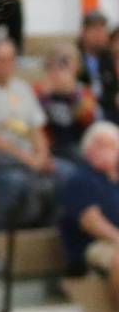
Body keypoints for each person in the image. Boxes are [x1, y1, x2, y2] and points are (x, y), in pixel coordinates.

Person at [0, 38, 75, 230]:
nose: (3, 65)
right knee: (14, 181)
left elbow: (37, 129)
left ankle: (51, 231)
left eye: (8, 59)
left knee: (68, 173)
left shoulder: (22, 88)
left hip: (30, 155)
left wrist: (43, 155)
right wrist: (28, 160)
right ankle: (0, 238)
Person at [58, 122, 119, 300]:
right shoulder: (81, 179)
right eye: (100, 145)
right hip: (94, 244)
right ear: (87, 149)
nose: (106, 151)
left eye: (111, 146)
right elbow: (91, 222)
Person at [35, 43, 98, 162]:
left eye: (65, 63)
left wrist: (71, 94)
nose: (59, 69)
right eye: (54, 64)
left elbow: (87, 122)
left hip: (79, 146)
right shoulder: (38, 90)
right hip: (50, 148)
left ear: (77, 66)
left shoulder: (84, 93)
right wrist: (45, 96)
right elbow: (34, 122)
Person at [78, 9, 119, 123]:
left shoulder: (111, 59)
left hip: (110, 112)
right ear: (84, 32)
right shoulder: (75, 57)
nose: (100, 35)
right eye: (95, 30)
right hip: (83, 114)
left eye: (103, 30)